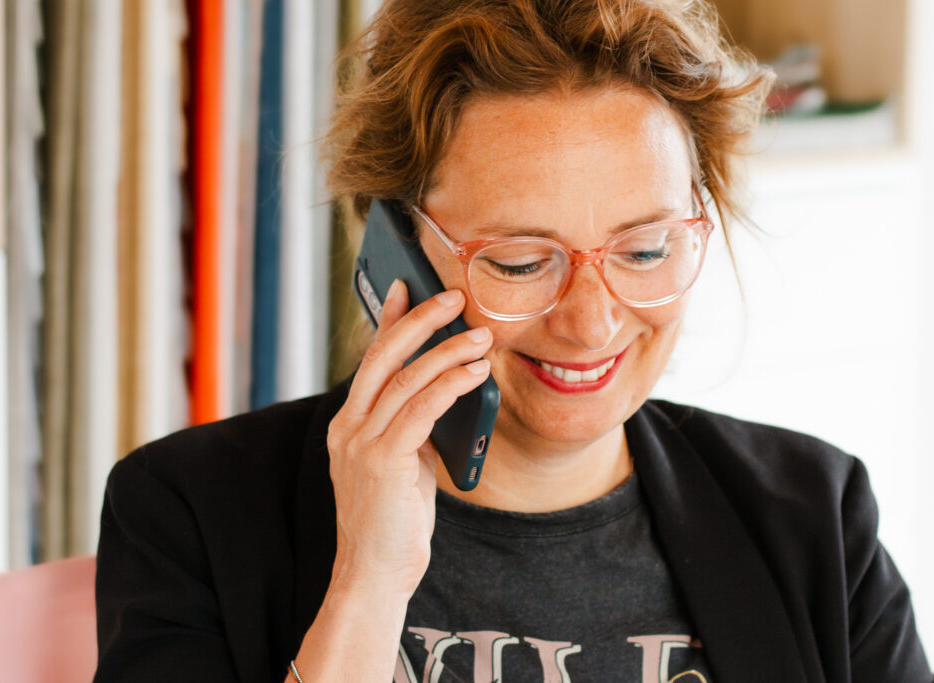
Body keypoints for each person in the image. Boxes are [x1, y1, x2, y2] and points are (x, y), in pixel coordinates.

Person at [94, 0, 932, 681]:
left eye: (644, 251)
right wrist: (368, 584)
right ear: (394, 248)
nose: (592, 320)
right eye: (522, 261)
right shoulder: (189, 513)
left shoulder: (816, 516)